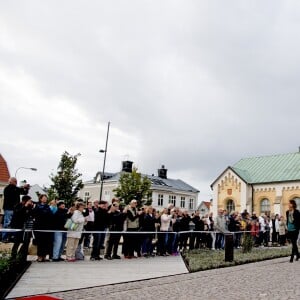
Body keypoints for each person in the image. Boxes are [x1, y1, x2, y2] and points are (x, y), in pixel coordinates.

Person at [2, 177, 30, 242]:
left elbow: (24, 193)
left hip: (14, 209)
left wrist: (26, 188)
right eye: (15, 181)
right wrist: (23, 187)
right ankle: (4, 238)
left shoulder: (16, 189)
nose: (16, 182)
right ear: (11, 181)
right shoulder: (8, 188)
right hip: (9, 208)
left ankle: (9, 237)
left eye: (16, 181)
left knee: (13, 223)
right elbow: (16, 191)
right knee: (7, 223)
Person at [10, 195, 34, 261]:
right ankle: (13, 256)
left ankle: (21, 256)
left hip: (26, 227)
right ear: (24, 201)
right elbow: (18, 213)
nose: (30, 202)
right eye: (29, 201)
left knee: (26, 242)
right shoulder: (18, 206)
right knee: (17, 242)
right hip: (17, 226)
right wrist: (25, 206)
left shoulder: (29, 207)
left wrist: (31, 207)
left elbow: (30, 214)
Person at [33, 194, 53, 262]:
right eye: (43, 198)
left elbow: (50, 215)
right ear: (40, 199)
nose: (45, 199)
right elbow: (36, 214)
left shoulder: (47, 206)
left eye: (46, 198)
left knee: (46, 242)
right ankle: (39, 256)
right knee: (40, 242)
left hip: (46, 226)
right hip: (39, 226)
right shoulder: (37, 205)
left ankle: (44, 256)